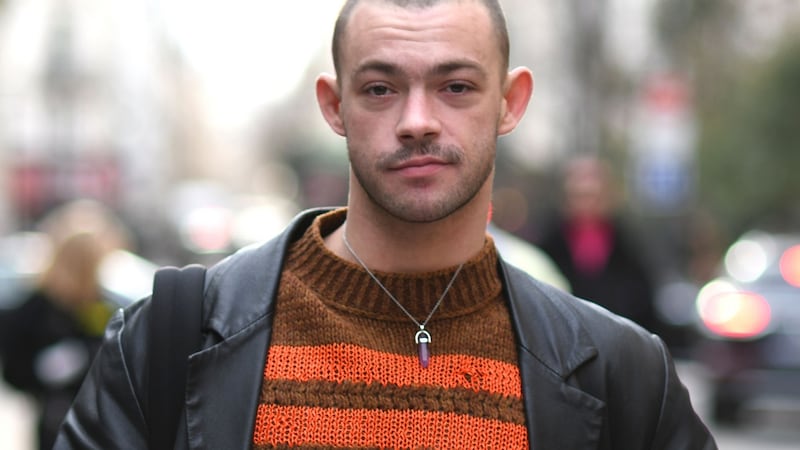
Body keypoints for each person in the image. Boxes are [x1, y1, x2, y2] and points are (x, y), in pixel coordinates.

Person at [55, 1, 716, 448]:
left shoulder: (626, 373)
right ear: (334, 105)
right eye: (380, 88)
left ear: (511, 103)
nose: (417, 120)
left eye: (456, 86)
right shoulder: (170, 337)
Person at [0, 201, 128, 450]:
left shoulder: (105, 304)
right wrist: (44, 371)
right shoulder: (36, 309)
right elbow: (14, 372)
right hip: (55, 424)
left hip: (104, 423)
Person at [536, 155, 660, 332]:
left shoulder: (629, 247)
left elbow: (643, 303)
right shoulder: (547, 246)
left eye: (594, 196)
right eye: (580, 196)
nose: (587, 205)